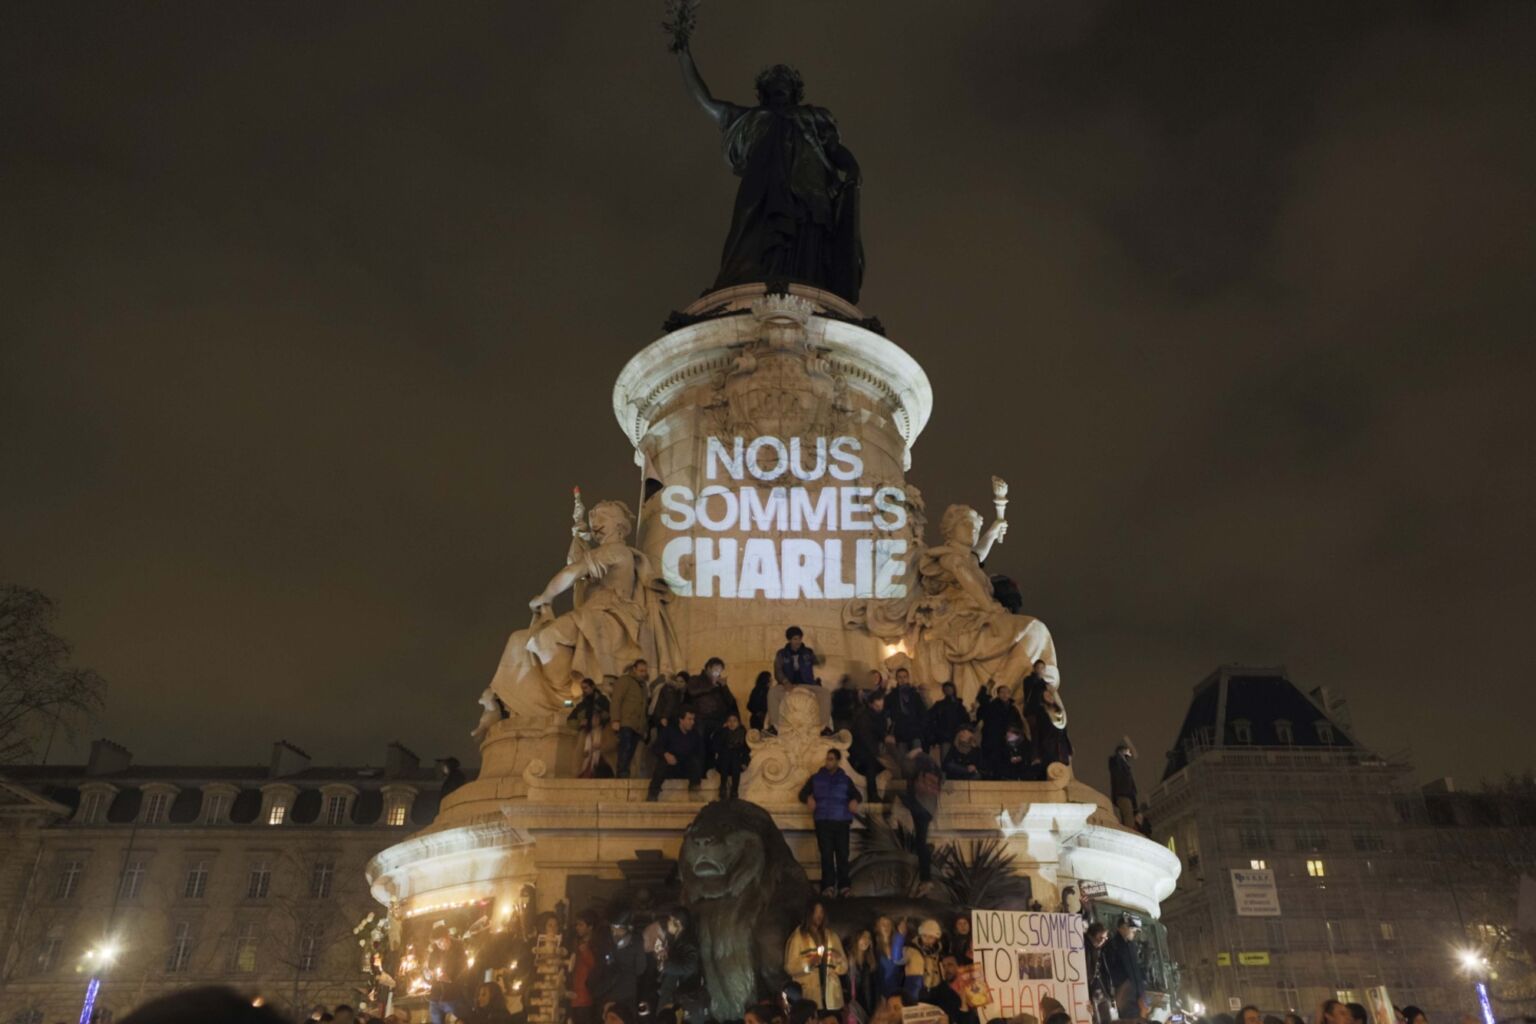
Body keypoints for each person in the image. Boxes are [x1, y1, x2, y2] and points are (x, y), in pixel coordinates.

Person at [798, 749, 861, 897]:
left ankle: (844, 886)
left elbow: (857, 795)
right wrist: (808, 798)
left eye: (831, 759)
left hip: (841, 821)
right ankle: (828, 886)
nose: (828, 762)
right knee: (826, 855)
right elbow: (802, 794)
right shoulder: (816, 778)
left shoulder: (845, 780)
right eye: (827, 759)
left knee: (842, 855)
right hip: (823, 821)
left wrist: (854, 800)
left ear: (838, 761)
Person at [783, 901, 847, 1011]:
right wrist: (809, 962)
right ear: (809, 914)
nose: (819, 915)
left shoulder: (832, 936)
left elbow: (844, 967)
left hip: (831, 996)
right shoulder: (798, 938)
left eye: (821, 912)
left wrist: (839, 961)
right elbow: (790, 967)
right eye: (815, 912)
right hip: (809, 995)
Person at [771, 627, 833, 731]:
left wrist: (817, 645)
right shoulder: (781, 653)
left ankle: (824, 727)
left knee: (825, 693)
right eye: (795, 639)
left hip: (807, 684)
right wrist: (785, 681)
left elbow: (820, 662)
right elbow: (778, 670)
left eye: (799, 638)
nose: (798, 641)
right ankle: (774, 726)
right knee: (772, 693)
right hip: (788, 685)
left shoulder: (808, 652)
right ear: (789, 640)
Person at [1021, 661, 1071, 773]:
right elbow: (1030, 690)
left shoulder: (1045, 684)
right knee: (1035, 733)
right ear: (1034, 669)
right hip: (1033, 712)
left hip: (1043, 712)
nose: (1040, 670)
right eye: (1038, 668)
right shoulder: (1029, 680)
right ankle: (1035, 757)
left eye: (1042, 668)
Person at [685, 657, 738, 757]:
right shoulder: (695, 679)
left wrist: (724, 687)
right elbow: (692, 691)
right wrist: (711, 686)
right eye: (715, 670)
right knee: (700, 748)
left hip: (718, 720)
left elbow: (730, 701)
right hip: (701, 720)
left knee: (716, 748)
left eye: (719, 671)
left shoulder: (719, 683)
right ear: (708, 668)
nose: (717, 673)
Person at [594, 916, 647, 1015]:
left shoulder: (606, 938)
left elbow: (603, 962)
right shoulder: (637, 940)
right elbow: (640, 968)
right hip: (628, 991)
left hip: (610, 989)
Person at [904, 751, 943, 884]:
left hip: (919, 806)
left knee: (920, 842)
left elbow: (904, 769)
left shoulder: (919, 770)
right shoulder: (935, 771)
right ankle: (925, 877)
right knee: (921, 841)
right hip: (928, 810)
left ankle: (926, 878)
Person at [648, 710, 705, 801]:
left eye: (693, 719)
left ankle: (694, 792)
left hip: (686, 768)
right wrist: (665, 754)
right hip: (671, 767)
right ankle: (652, 794)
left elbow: (700, 753)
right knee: (662, 763)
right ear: (681, 720)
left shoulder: (695, 734)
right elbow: (656, 747)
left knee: (695, 762)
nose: (692, 722)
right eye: (689, 719)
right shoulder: (669, 731)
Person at [610, 660, 651, 778]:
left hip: (637, 725)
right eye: (641, 671)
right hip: (626, 722)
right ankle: (622, 772)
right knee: (625, 748)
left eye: (645, 671)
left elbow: (643, 707)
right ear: (634, 669)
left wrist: (644, 727)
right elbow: (616, 700)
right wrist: (615, 720)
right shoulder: (624, 681)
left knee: (631, 750)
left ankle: (624, 771)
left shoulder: (643, 686)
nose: (643, 673)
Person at [655, 909, 700, 1014]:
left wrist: (665, 965)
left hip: (677, 989)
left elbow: (690, 967)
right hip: (671, 985)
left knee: (666, 1015)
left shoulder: (689, 942)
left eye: (670, 920)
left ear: (678, 923)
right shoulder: (677, 938)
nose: (668, 922)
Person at [850, 692, 893, 802]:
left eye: (881, 706)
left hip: (871, 751)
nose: (879, 708)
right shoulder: (864, 717)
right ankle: (873, 796)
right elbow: (866, 738)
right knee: (871, 766)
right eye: (877, 706)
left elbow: (879, 732)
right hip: (861, 753)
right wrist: (878, 754)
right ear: (870, 705)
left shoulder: (879, 716)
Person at [975, 684, 1023, 779]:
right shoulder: (991, 706)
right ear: (998, 694)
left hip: (1009, 739)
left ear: (1010, 694)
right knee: (994, 760)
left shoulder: (1013, 709)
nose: (1005, 695)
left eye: (1007, 692)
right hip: (993, 739)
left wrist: (1014, 735)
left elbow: (1018, 724)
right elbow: (982, 710)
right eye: (1002, 692)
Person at [1104, 915, 1145, 1021]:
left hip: (1137, 997)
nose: (1135, 933)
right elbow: (1111, 972)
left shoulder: (1131, 945)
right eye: (1133, 929)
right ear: (1123, 927)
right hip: (1125, 998)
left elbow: (1136, 971)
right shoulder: (1112, 946)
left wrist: (1141, 994)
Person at [568, 678, 611, 778]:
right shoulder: (581, 704)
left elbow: (610, 714)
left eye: (586, 688)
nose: (584, 690)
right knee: (585, 758)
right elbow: (570, 719)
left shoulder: (603, 700)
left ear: (593, 687)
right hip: (586, 735)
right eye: (582, 688)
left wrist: (601, 717)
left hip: (602, 734)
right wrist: (580, 723)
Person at [427, 923, 469, 1024]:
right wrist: (429, 974)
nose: (439, 946)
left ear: (447, 937)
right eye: (437, 943)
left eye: (441, 942)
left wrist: (450, 980)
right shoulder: (434, 952)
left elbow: (465, 973)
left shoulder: (459, 951)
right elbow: (430, 968)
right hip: (435, 998)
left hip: (453, 997)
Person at [569, 911, 604, 1024]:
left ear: (590, 927)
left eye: (581, 925)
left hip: (585, 997)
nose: (577, 928)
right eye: (577, 925)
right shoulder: (577, 943)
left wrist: (585, 952)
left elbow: (596, 967)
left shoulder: (596, 945)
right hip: (575, 996)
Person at [923, 682, 969, 756]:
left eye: (949, 688)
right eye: (946, 689)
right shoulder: (940, 705)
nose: (948, 690)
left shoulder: (959, 705)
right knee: (946, 758)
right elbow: (930, 716)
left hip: (958, 736)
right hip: (945, 736)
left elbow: (965, 719)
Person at [887, 668, 927, 753]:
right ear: (896, 679)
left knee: (917, 755)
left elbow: (922, 711)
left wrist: (920, 726)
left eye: (904, 677)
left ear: (908, 678)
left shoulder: (915, 694)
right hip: (900, 730)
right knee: (903, 758)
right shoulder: (892, 695)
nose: (902, 679)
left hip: (915, 730)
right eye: (900, 677)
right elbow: (886, 711)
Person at [903, 919, 943, 1003]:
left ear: (936, 938)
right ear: (920, 935)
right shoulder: (910, 950)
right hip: (916, 992)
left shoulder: (939, 953)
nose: (927, 939)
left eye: (931, 937)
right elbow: (897, 960)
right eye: (924, 936)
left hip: (935, 991)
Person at [847, 929, 881, 1021]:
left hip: (868, 1005)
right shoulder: (848, 959)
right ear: (857, 939)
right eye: (863, 937)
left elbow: (875, 987)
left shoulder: (871, 962)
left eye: (869, 938)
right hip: (853, 1005)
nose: (866, 940)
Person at [714, 711, 749, 799]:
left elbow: (746, 751)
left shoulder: (744, 734)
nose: (732, 723)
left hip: (737, 764)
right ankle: (730, 789)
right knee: (728, 753)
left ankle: (729, 789)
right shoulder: (722, 732)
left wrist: (745, 762)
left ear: (739, 722)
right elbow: (716, 746)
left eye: (734, 721)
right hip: (723, 764)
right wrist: (722, 730)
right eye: (729, 720)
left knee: (734, 755)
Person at [1084, 922, 1111, 1024]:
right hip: (1091, 989)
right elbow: (1088, 973)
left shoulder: (1096, 949)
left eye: (1105, 938)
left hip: (1096, 988)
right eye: (1102, 937)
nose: (1104, 941)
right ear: (1094, 935)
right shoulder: (1088, 948)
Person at [873, 916, 906, 1000]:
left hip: (898, 990)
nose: (886, 927)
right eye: (883, 924)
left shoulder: (899, 942)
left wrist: (901, 936)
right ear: (877, 927)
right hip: (880, 993)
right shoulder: (873, 945)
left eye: (888, 924)